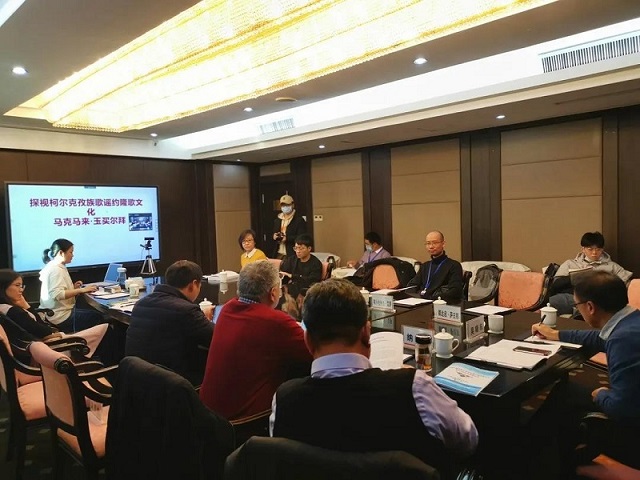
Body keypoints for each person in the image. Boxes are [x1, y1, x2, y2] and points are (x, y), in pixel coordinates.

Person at [270, 278, 477, 474]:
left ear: (307, 340)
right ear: (366, 332)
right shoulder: (413, 388)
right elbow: (468, 440)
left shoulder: (284, 400)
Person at [531, 271, 640, 474]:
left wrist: (602, 395)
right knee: (567, 392)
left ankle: (536, 457)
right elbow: (600, 338)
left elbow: (620, 409)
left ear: (590, 307)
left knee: (564, 401)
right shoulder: (631, 321)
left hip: (633, 437)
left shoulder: (622, 341)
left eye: (577, 306)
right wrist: (556, 334)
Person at [199, 261, 312, 420]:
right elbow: (314, 351)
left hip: (207, 414)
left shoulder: (227, 309)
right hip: (245, 421)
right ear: (273, 293)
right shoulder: (277, 322)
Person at [125, 260, 214, 385]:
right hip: (173, 384)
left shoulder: (141, 303)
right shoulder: (187, 310)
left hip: (137, 380)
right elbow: (217, 338)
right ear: (193, 284)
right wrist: (204, 319)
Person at [0, 268, 111, 360]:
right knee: (107, 328)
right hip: (52, 349)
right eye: (17, 285)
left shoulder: (5, 309)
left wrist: (26, 306)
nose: (21, 290)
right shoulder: (13, 312)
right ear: (3, 286)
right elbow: (44, 331)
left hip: (46, 346)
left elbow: (38, 326)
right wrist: (27, 307)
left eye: (22, 286)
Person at [549, 232, 632, 315]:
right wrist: (574, 278)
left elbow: (627, 284)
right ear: (583, 249)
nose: (594, 252)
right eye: (590, 249)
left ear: (602, 249)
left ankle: (580, 313)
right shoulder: (570, 264)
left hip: (601, 299)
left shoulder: (613, 266)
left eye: (598, 249)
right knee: (553, 301)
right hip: (574, 297)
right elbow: (556, 284)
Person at [39, 238, 106, 333]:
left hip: (56, 313)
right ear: (61, 253)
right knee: (97, 317)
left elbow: (58, 290)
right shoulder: (56, 270)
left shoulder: (56, 266)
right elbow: (57, 294)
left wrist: (73, 288)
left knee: (93, 314)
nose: (73, 255)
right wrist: (81, 290)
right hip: (59, 316)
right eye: (71, 252)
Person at [407, 231, 463, 302]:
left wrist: (431, 298)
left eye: (435, 243)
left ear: (443, 244)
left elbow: (455, 291)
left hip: (441, 303)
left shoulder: (454, 265)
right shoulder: (425, 266)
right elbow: (412, 286)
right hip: (422, 302)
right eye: (428, 243)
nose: (431, 246)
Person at [279, 234, 323, 319]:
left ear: (309, 249)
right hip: (292, 287)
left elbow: (312, 280)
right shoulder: (292, 260)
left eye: (301, 248)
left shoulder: (315, 263)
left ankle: (295, 319)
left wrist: (293, 276)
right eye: (296, 248)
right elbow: (283, 271)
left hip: (306, 289)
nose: (298, 251)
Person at [272, 194, 306, 259]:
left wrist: (287, 238)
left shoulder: (299, 220)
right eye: (283, 205)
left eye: (287, 205)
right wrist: (275, 236)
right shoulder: (278, 220)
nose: (285, 207)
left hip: (292, 254)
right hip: (278, 253)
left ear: (292, 205)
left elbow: (302, 237)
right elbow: (274, 232)